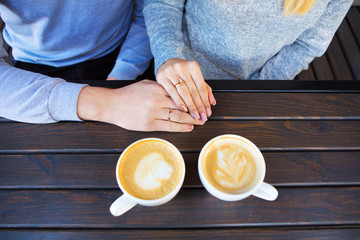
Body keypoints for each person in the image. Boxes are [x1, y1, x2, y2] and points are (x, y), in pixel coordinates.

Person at [0, 0, 203, 132]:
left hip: (124, 50)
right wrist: (108, 102)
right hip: (31, 73)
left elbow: (147, 11)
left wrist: (123, 73)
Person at [143, 0, 353, 122]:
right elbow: (163, 3)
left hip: (265, 83)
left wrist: (258, 88)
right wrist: (169, 54)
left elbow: (309, 44)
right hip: (182, 81)